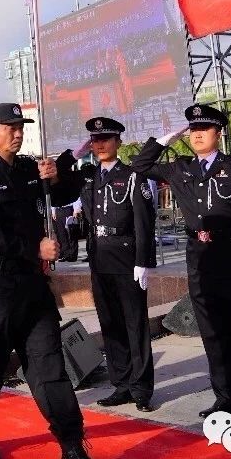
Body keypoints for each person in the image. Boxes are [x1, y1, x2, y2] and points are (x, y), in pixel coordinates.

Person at [0, 103, 115, 459]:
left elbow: (63, 195)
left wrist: (58, 176)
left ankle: (73, 450)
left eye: (20, 126)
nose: (17, 132)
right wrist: (33, 248)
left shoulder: (29, 169)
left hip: (32, 289)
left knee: (50, 370)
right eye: (8, 127)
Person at [130, 104, 231, 418]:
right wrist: (166, 138)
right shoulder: (180, 168)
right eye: (192, 129)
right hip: (199, 259)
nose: (197, 135)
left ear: (219, 133)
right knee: (212, 332)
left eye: (204, 129)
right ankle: (225, 398)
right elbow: (140, 165)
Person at [58, 117, 157, 412]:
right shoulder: (89, 176)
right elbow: (60, 173)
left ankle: (141, 389)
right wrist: (76, 152)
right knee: (110, 324)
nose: (100, 145)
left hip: (126, 258)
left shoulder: (132, 175)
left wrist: (144, 262)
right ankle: (121, 384)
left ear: (119, 142)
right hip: (99, 258)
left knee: (134, 324)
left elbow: (144, 221)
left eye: (106, 139)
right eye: (95, 140)